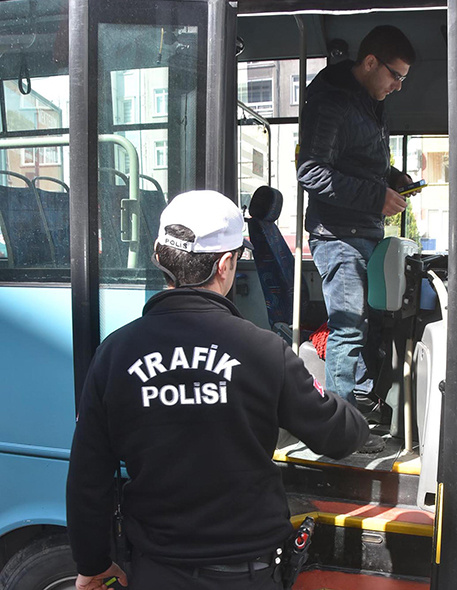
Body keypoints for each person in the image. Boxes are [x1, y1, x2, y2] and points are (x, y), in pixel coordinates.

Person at [66, 190, 369, 590]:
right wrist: (320, 382)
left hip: (156, 571)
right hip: (248, 574)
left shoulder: (113, 354)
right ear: (226, 264)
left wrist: (92, 561)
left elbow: (89, 476)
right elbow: (341, 436)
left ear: (159, 257)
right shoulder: (264, 351)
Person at [297, 26, 417, 452]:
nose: (398, 86)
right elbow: (311, 172)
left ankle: (354, 416)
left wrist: (389, 179)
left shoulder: (366, 100)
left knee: (363, 329)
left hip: (362, 230)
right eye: (395, 76)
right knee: (348, 330)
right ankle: (340, 433)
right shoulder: (331, 101)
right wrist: (374, 194)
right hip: (340, 234)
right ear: (370, 63)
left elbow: (355, 161)